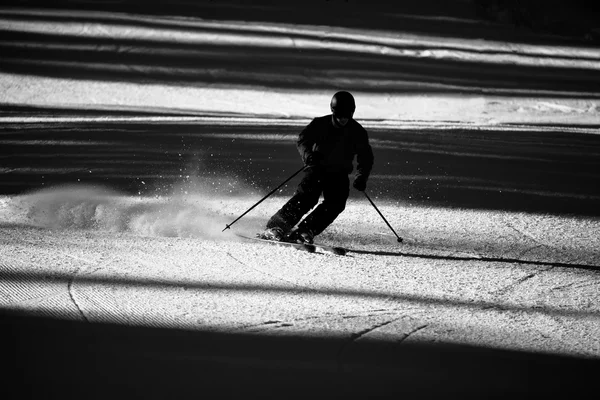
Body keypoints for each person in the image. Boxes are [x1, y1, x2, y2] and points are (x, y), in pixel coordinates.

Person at [259, 91, 374, 244]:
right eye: (340, 115)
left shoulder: (357, 132)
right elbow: (303, 140)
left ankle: (306, 230)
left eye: (347, 115)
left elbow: (365, 157)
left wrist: (361, 176)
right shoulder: (321, 124)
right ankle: (276, 226)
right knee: (307, 198)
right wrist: (309, 156)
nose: (343, 119)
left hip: (339, 173)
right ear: (333, 111)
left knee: (336, 203)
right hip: (317, 168)